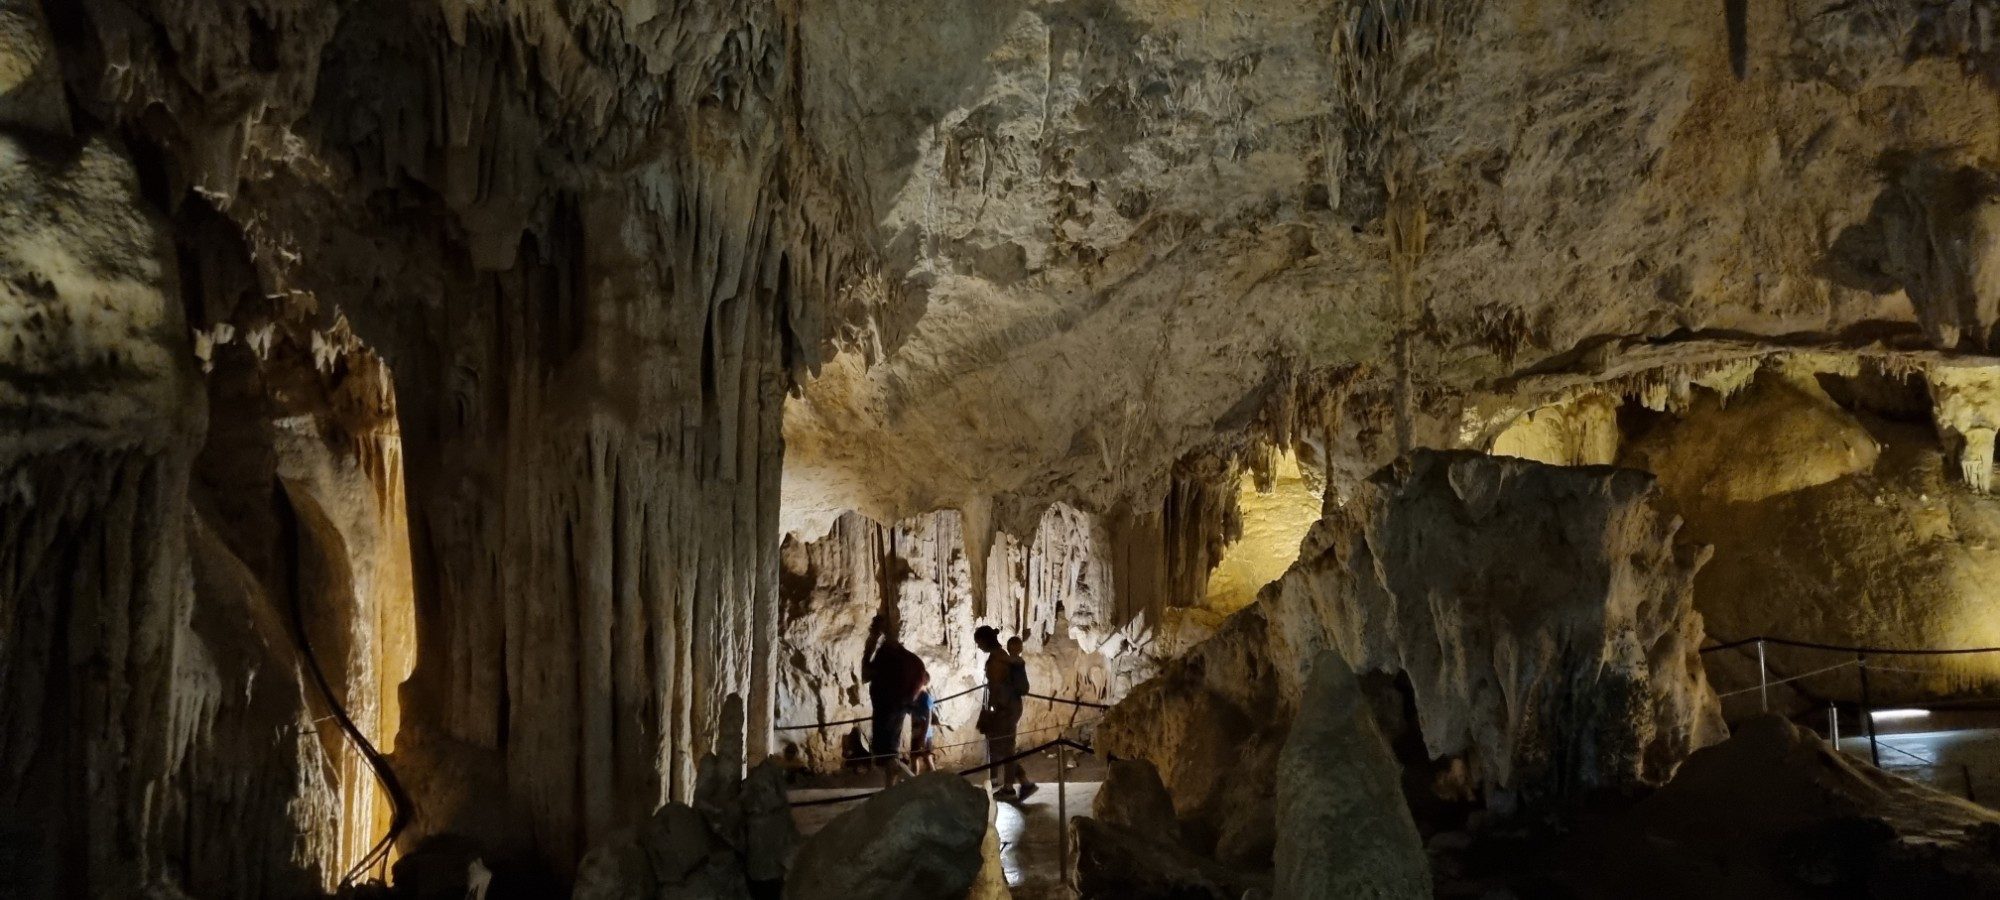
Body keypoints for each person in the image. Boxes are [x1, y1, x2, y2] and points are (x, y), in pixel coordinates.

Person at [862, 613, 926, 787]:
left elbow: (866, 674)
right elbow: (921, 679)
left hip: (886, 707)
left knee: (887, 751)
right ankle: (891, 785)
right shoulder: (911, 660)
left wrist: (872, 641)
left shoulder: (886, 657)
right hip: (899, 706)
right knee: (890, 748)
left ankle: (891, 787)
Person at [975, 625, 1037, 801]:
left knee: (1006, 748)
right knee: (1003, 747)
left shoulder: (997, 660)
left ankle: (1012, 787)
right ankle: (1023, 783)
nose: (979, 647)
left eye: (979, 643)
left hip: (1006, 708)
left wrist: (997, 710)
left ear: (985, 641)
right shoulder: (1001, 656)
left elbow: (999, 687)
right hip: (1009, 707)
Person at [909, 672, 937, 775]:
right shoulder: (916, 697)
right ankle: (915, 780)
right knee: (914, 757)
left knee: (927, 757)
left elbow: (928, 718)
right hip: (916, 733)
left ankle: (934, 780)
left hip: (924, 734)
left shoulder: (926, 698)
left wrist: (924, 736)